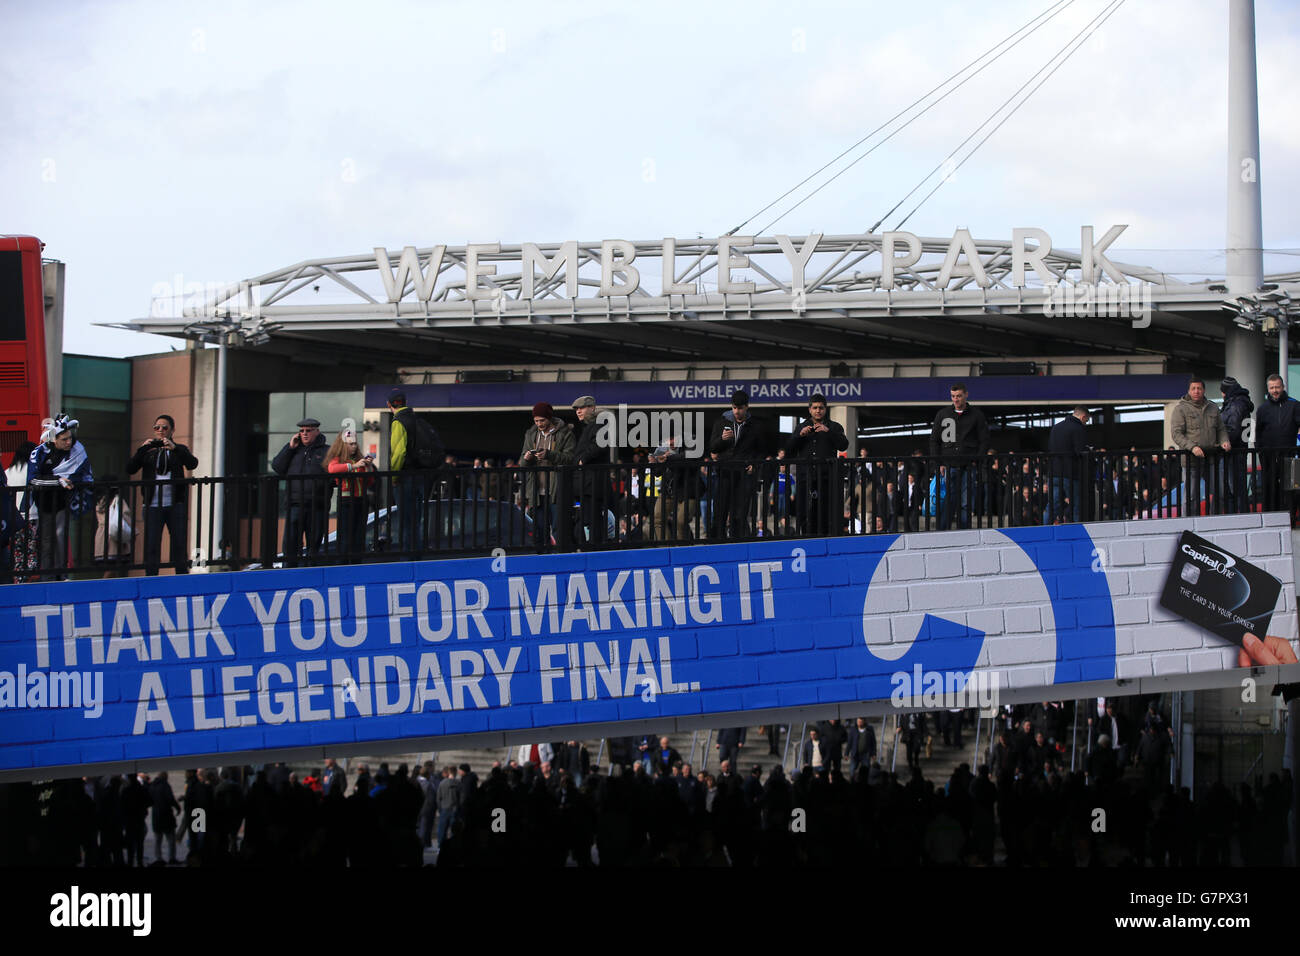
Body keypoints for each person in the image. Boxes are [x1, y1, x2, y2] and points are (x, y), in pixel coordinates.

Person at [128, 414, 198, 575]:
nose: (160, 431)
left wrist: (174, 448)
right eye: (157, 428)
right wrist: (143, 449)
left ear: (172, 430)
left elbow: (192, 463)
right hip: (153, 504)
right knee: (152, 544)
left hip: (175, 503)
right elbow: (130, 468)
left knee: (179, 543)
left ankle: (181, 576)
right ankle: (151, 578)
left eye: (164, 428)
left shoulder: (178, 449)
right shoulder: (148, 451)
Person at [29, 414, 94, 578]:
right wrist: (58, 481)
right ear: (54, 439)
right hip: (43, 504)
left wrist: (70, 483)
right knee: (46, 541)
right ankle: (47, 577)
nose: (69, 442)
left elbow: (84, 475)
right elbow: (34, 480)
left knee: (61, 537)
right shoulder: (39, 453)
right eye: (64, 439)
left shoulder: (78, 450)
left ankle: (62, 574)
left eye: (70, 438)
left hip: (62, 503)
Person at [387, 388, 442, 557]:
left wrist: (393, 477)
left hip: (406, 478)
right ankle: (417, 555)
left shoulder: (399, 422)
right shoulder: (418, 420)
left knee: (406, 521)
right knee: (416, 521)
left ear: (389, 405)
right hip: (422, 477)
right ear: (404, 403)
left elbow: (399, 452)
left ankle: (408, 559)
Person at [784, 393, 848, 535]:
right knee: (804, 513)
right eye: (815, 408)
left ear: (825, 409)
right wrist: (799, 436)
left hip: (826, 478)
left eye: (821, 408)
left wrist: (829, 432)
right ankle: (806, 537)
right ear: (810, 410)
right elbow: (788, 450)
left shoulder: (834, 426)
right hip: (805, 478)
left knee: (825, 512)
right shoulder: (801, 426)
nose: (818, 411)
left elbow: (844, 445)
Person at [271, 417, 331, 567]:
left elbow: (333, 473)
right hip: (294, 505)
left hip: (317, 506)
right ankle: (289, 576)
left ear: (317, 431)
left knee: (313, 549)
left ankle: (312, 577)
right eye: (302, 431)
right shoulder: (293, 449)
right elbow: (277, 467)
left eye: (309, 431)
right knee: (290, 546)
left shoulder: (326, 451)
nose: (304, 434)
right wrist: (289, 448)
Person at [708, 390, 767, 539]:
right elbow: (713, 448)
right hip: (724, 472)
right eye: (734, 408)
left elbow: (761, 451)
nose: (737, 411)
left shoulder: (755, 425)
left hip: (744, 474)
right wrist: (722, 439)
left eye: (740, 408)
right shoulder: (721, 422)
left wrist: (755, 464)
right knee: (719, 513)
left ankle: (739, 545)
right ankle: (717, 545)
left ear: (747, 407)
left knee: (739, 514)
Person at [929, 382, 989, 529]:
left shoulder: (976, 415)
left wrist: (977, 460)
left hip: (968, 465)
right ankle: (943, 532)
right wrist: (939, 463)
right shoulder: (942, 414)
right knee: (946, 501)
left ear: (966, 395)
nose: (956, 399)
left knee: (965, 503)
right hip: (948, 464)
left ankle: (964, 531)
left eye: (959, 396)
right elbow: (934, 441)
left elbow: (985, 440)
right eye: (953, 396)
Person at [519, 402, 575, 544]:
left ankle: (558, 558)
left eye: (542, 420)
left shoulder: (565, 434)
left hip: (557, 491)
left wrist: (549, 455)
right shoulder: (530, 434)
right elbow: (521, 462)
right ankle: (542, 558)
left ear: (549, 418)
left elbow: (570, 459)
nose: (539, 423)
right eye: (536, 420)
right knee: (538, 529)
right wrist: (526, 459)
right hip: (536, 492)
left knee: (558, 529)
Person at [325, 420, 376, 560]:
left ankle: (356, 563)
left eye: (355, 443)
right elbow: (332, 469)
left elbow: (370, 482)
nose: (354, 446)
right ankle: (344, 564)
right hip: (346, 500)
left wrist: (369, 467)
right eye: (350, 444)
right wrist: (353, 467)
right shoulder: (338, 459)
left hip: (361, 500)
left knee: (359, 536)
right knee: (346, 537)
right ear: (343, 445)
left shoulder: (359, 459)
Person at [570, 395, 614, 545]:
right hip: (587, 483)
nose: (578, 411)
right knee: (588, 519)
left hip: (592, 483)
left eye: (581, 408)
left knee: (592, 520)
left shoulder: (600, 423)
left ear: (592, 408)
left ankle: (595, 550)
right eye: (576, 409)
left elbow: (600, 444)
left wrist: (584, 459)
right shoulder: (591, 426)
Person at [1255, 374, 1300, 513]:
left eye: (1277, 387)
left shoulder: (1295, 405)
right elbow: (1259, 433)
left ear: (1283, 387)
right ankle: (1271, 517)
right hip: (1269, 456)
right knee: (1270, 488)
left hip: (1290, 455)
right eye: (1272, 387)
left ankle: (1290, 518)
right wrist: (1261, 453)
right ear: (1268, 389)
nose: (1275, 390)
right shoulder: (1262, 409)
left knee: (1291, 488)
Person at [1044, 406, 1089, 524]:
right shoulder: (1078, 428)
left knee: (1052, 505)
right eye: (1086, 420)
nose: (1085, 423)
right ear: (1083, 416)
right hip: (1070, 473)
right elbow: (1080, 450)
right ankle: (1076, 532)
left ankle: (1045, 529)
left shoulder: (1056, 427)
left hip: (1054, 472)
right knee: (1075, 505)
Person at [1219, 377, 1253, 513]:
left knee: (1235, 489)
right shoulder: (1238, 403)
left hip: (1233, 452)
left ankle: (1240, 519)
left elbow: (1234, 429)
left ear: (1226, 391)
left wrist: (1221, 442)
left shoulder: (1235, 405)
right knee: (1236, 488)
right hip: (1237, 451)